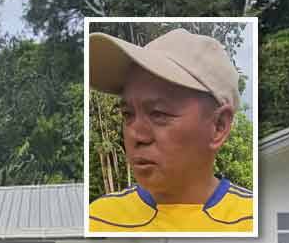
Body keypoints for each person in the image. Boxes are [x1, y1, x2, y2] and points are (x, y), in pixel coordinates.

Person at [88, 28, 252, 232]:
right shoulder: (99, 220)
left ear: (218, 126)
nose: (136, 135)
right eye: (128, 114)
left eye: (158, 114)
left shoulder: (252, 220)